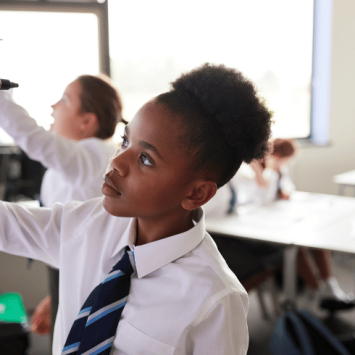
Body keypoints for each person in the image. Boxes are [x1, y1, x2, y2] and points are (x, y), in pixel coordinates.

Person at [0, 63, 272, 355]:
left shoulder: (214, 298)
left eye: (145, 159)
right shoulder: (86, 224)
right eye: (125, 141)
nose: (116, 163)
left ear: (196, 193)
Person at [0, 74, 124, 339]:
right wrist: (52, 295)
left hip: (93, 277)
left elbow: (34, 139)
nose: (53, 106)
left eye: (65, 100)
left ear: (87, 121)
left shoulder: (93, 157)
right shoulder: (73, 163)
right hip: (69, 266)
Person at [247, 138, 354, 309]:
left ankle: (331, 289)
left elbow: (288, 187)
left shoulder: (281, 168)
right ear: (276, 155)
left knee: (317, 243)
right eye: (284, 159)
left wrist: (285, 188)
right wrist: (271, 171)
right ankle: (318, 291)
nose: (286, 163)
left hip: (279, 218)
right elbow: (262, 198)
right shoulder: (257, 168)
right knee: (296, 247)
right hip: (260, 227)